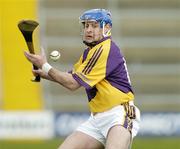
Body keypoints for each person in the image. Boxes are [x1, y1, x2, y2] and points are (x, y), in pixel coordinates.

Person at [24, 8, 140, 149]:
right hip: (97, 119)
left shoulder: (106, 49)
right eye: (86, 25)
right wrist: (44, 73)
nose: (88, 30)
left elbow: (72, 84)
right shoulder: (89, 53)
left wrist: (45, 65)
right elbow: (71, 77)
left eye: (94, 25)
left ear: (107, 27)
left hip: (119, 114)